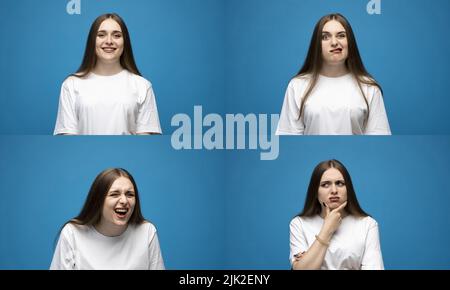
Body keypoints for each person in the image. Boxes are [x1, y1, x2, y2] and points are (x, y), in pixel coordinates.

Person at [276, 13, 391, 135]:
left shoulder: (369, 88)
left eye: (341, 36)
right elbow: (289, 137)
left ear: (350, 42)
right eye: (325, 37)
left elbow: (378, 139)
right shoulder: (297, 86)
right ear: (317, 45)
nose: (334, 42)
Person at [54, 13, 162, 135]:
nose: (109, 41)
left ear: (124, 42)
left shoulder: (143, 86)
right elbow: (68, 139)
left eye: (116, 35)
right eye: (101, 35)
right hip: (85, 154)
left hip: (128, 154)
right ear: (92, 41)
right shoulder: (71, 85)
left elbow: (145, 143)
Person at [50, 168, 165, 270]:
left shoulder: (147, 232)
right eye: (114, 194)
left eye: (129, 194)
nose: (124, 201)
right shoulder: (72, 233)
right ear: (98, 200)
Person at [289, 159, 384, 270]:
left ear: (348, 189)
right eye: (325, 184)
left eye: (340, 183)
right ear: (315, 191)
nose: (334, 190)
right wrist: (327, 229)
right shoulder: (299, 224)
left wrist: (309, 259)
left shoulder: (367, 224)